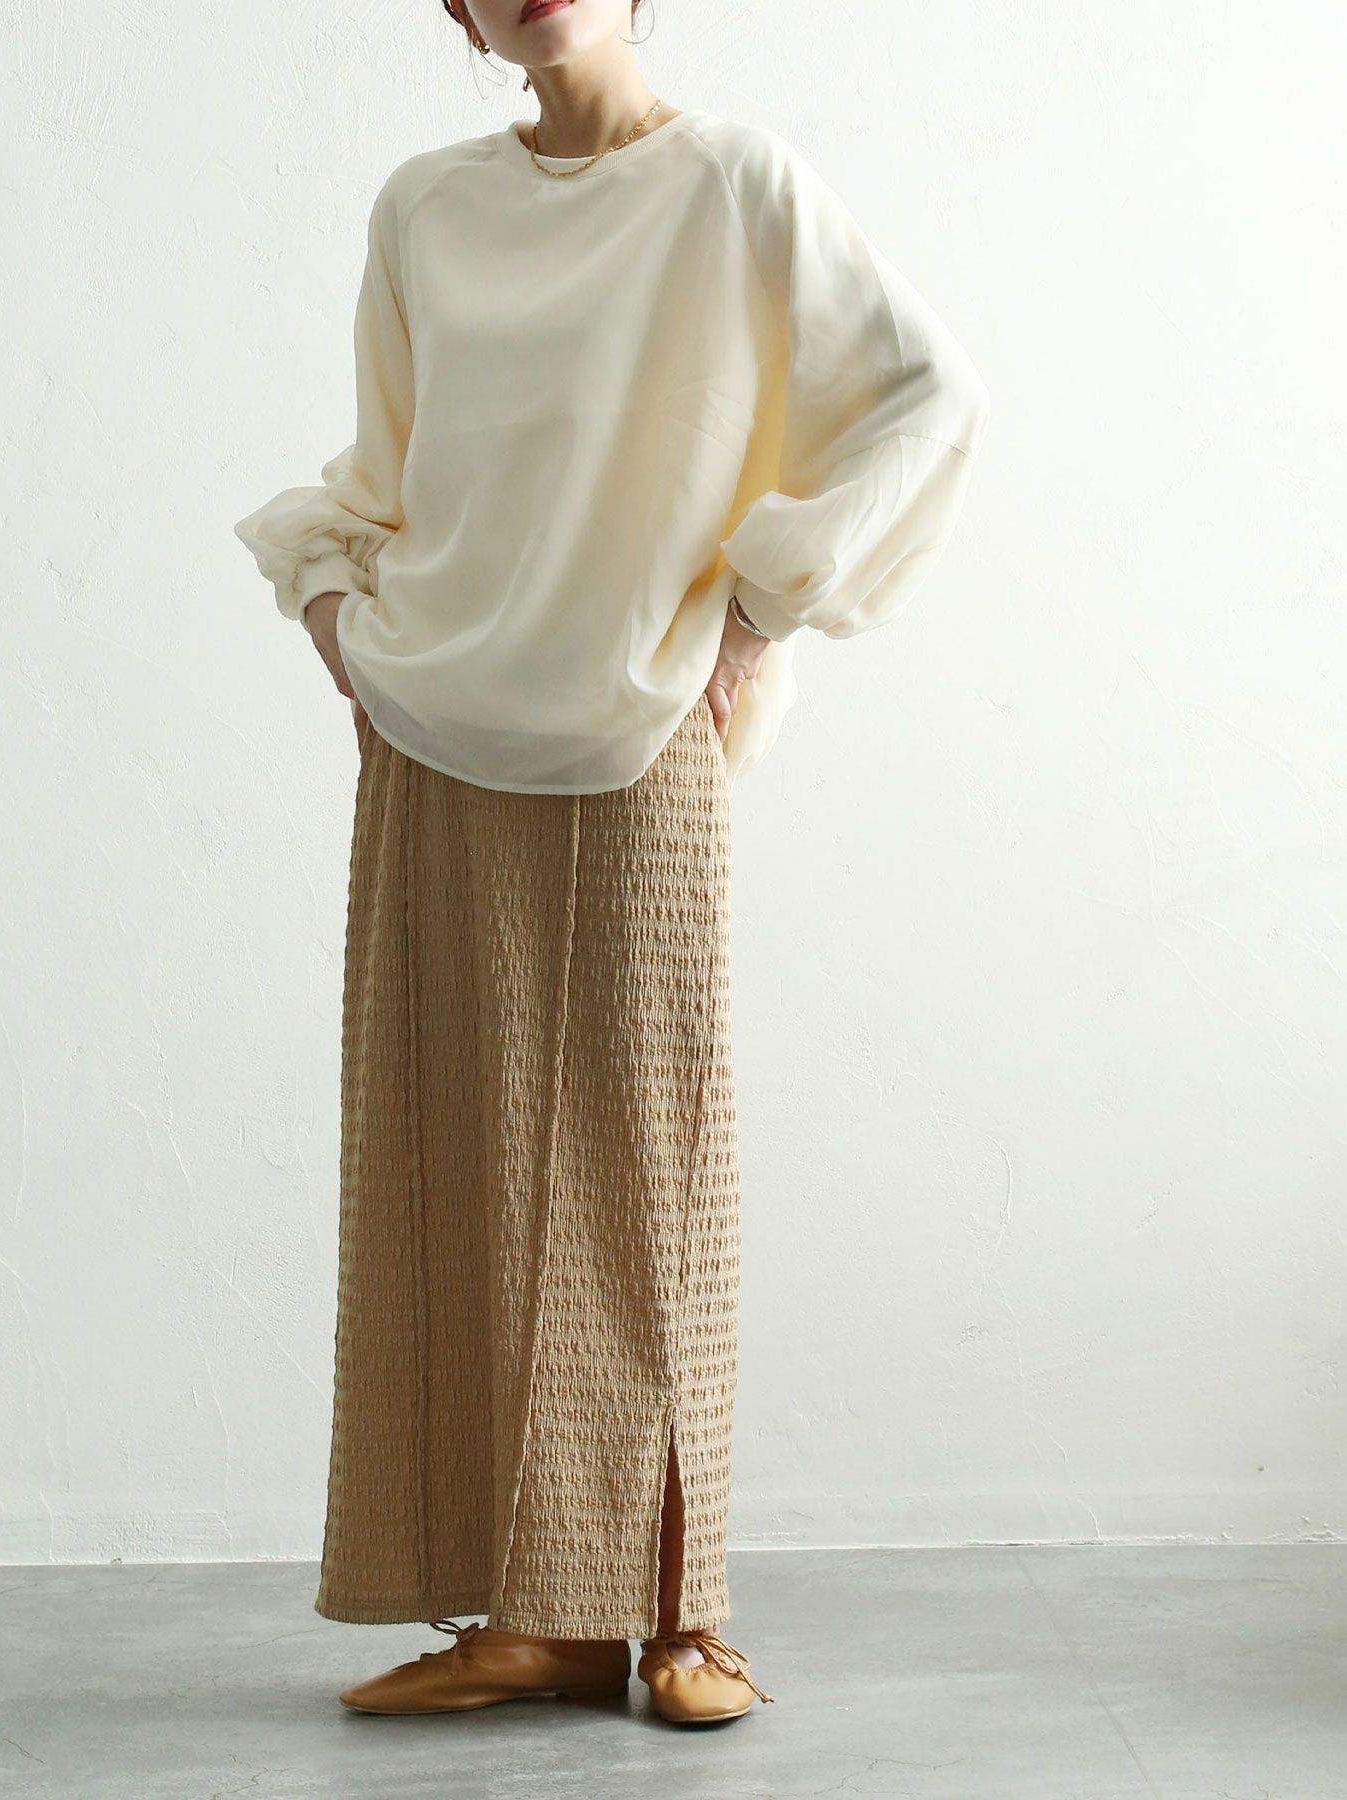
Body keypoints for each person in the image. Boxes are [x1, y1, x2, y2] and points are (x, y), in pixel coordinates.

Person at [234, 0, 990, 1729]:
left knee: (654, 1176)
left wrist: (755, 612)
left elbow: (928, 396)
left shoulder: (737, 186)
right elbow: (386, 474)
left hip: (641, 725)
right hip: (434, 723)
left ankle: (681, 1616)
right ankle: (536, 1619)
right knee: (449, 1162)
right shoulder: (426, 206)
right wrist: (341, 626)